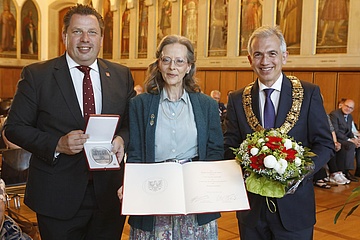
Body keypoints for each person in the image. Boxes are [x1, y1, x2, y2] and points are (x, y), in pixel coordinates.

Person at [4, 4, 136, 240]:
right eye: (77, 31)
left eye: (92, 32)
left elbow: (132, 123)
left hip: (109, 196)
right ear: (65, 36)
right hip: (57, 197)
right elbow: (14, 128)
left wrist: (122, 139)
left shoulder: (121, 75)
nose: (85, 39)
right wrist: (57, 144)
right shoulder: (37, 75)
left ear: (101, 38)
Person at [224, 26, 334, 239]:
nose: (265, 61)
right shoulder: (237, 99)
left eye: (272, 53)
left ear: (284, 56)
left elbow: (325, 144)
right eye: (258, 54)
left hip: (295, 210)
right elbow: (229, 144)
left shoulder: (309, 92)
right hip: (251, 212)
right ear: (250, 59)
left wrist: (300, 172)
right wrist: (245, 166)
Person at [122, 34, 223, 239]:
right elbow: (135, 153)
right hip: (154, 194)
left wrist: (209, 187)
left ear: (189, 66)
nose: (172, 67)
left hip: (195, 196)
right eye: (166, 60)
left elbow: (215, 150)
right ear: (158, 63)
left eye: (179, 61)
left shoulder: (207, 105)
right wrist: (130, 183)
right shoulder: (139, 105)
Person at [329, 99, 360, 182]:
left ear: (352, 109)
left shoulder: (350, 116)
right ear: (342, 105)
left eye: (350, 108)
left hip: (345, 138)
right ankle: (346, 171)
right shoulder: (335, 114)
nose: (348, 109)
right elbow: (336, 131)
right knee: (350, 145)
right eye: (347, 106)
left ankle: (358, 170)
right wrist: (350, 140)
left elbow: (349, 131)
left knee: (358, 144)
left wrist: (355, 139)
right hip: (337, 139)